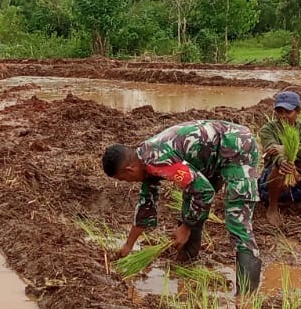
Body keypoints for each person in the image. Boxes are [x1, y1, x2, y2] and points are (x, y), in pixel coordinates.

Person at [102, 120, 262, 295]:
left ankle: (247, 296)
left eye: (124, 179)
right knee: (190, 202)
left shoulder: (158, 160)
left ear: (129, 170)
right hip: (211, 154)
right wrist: (128, 245)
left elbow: (204, 192)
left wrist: (186, 227)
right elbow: (146, 206)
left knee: (237, 219)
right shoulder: (142, 159)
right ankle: (187, 264)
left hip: (238, 147)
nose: (128, 182)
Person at [257, 91, 301, 224]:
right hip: (275, 178)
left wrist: (285, 149)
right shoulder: (267, 129)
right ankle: (272, 207)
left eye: (288, 112)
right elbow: (271, 150)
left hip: (300, 179)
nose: (283, 116)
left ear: (298, 111)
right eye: (279, 111)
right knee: (279, 167)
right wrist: (283, 162)